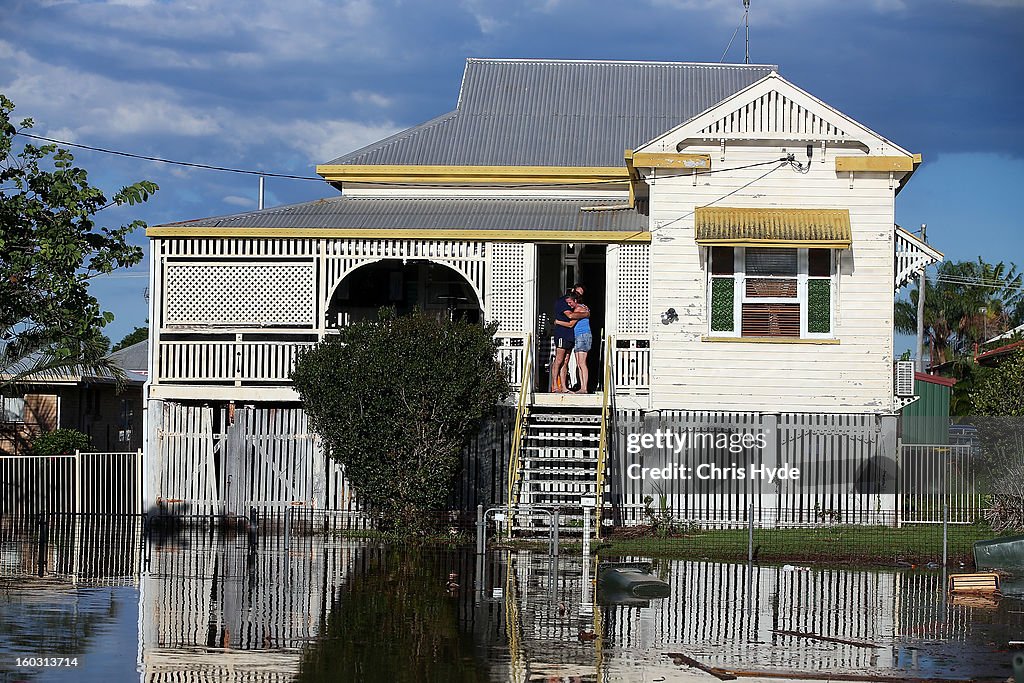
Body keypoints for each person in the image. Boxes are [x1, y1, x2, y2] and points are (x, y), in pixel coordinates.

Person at [550, 290, 577, 392]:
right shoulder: (562, 302)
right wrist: (585, 313)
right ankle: (554, 385)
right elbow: (570, 315)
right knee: (559, 360)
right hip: (562, 334)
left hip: (570, 335)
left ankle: (564, 386)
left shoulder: (576, 305)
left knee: (566, 361)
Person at [570, 294, 592, 393]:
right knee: (579, 363)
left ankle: (584, 387)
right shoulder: (584, 307)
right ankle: (582, 386)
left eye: (570, 302)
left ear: (575, 300)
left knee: (582, 362)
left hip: (582, 335)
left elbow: (571, 319)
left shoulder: (579, 308)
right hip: (579, 335)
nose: (569, 305)